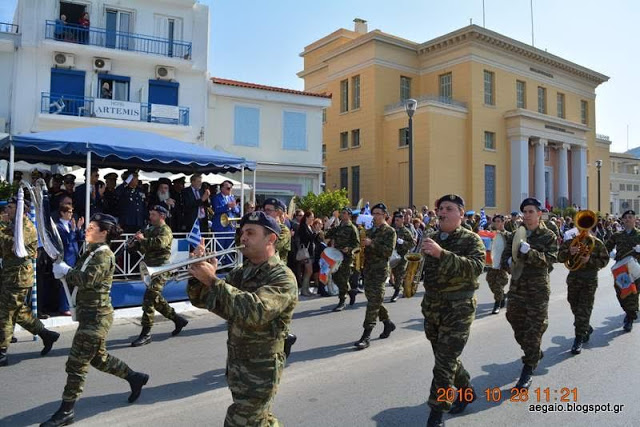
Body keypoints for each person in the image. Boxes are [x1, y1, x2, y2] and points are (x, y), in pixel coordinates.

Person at [187, 211, 297, 426]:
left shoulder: (282, 277)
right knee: (260, 421)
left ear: (271, 238)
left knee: (240, 421)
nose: (243, 238)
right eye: (242, 232)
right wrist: (198, 277)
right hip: (238, 364)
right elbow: (208, 301)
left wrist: (212, 280)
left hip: (261, 368)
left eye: (250, 233)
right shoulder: (242, 272)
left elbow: (255, 312)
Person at [42, 214, 149, 426]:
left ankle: (66, 410)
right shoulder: (91, 251)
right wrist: (63, 270)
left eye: (92, 227)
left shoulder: (103, 255)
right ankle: (134, 377)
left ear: (104, 233)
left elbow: (87, 280)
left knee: (77, 362)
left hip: (97, 317)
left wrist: (66, 272)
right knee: (99, 359)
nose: (87, 230)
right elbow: (79, 274)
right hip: (89, 314)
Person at [420, 194, 485, 427]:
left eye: (449, 208)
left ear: (460, 213)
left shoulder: (472, 239)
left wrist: (441, 254)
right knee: (445, 358)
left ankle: (436, 414)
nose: (442, 212)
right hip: (433, 307)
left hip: (458, 309)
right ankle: (467, 390)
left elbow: (476, 267)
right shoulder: (431, 237)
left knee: (444, 363)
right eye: (440, 208)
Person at [500, 197, 558, 390]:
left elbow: (550, 260)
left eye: (531, 211)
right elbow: (505, 256)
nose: (526, 215)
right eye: (524, 212)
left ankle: (528, 368)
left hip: (537, 290)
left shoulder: (548, 235)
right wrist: (508, 262)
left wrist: (530, 252)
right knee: (514, 320)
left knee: (533, 330)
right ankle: (533, 352)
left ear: (539, 213)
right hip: (517, 287)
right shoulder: (517, 234)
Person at [0, 197, 60, 366]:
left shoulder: (25, 227)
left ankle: (1, 352)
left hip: (18, 277)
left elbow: (15, 247)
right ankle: (46, 334)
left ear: (21, 210)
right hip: (9, 274)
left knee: (6, 313)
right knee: (18, 311)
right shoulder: (13, 226)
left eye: (11, 207)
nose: (7, 210)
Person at [130, 205, 188, 347]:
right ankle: (177, 319)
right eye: (150, 214)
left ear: (162, 216)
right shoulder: (150, 230)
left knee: (149, 298)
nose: (150, 217)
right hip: (150, 268)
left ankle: (146, 333)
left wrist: (142, 239)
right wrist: (134, 244)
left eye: (153, 214)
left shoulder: (165, 230)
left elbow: (160, 244)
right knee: (156, 299)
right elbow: (145, 248)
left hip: (161, 268)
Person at [557, 215, 609, 354]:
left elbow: (604, 261)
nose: (583, 228)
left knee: (584, 308)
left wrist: (589, 260)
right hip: (574, 278)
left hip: (589, 280)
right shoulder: (571, 241)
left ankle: (578, 338)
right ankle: (585, 326)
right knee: (574, 305)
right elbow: (559, 257)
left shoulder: (596, 243)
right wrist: (569, 252)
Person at [354, 203, 397, 350]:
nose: (376, 216)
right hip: (368, 269)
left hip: (380, 271)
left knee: (373, 302)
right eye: (374, 213)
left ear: (385, 214)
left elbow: (387, 252)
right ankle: (388, 323)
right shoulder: (370, 230)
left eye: (379, 213)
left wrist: (372, 243)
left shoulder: (390, 231)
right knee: (374, 299)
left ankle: (366, 335)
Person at [604, 209, 640, 332]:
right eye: (626, 217)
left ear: (635, 219)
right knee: (621, 293)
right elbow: (605, 248)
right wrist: (610, 253)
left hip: (636, 270)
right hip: (621, 270)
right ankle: (629, 311)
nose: (628, 219)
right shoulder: (617, 235)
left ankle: (630, 317)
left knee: (633, 293)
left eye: (631, 217)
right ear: (623, 220)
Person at [324, 207, 360, 311]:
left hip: (347, 257)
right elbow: (327, 234)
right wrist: (330, 222)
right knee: (336, 277)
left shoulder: (352, 228)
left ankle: (342, 301)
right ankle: (350, 292)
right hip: (336, 256)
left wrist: (348, 249)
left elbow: (357, 245)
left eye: (344, 213)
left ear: (349, 215)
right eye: (341, 213)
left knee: (343, 278)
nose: (342, 215)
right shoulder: (338, 227)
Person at [56, 204, 85, 316]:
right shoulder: (58, 226)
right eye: (69, 212)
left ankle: (73, 304)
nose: (71, 214)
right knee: (65, 282)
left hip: (74, 255)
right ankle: (63, 306)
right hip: (66, 256)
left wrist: (78, 228)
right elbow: (66, 241)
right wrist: (73, 230)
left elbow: (80, 238)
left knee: (74, 282)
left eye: (72, 212)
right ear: (62, 213)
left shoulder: (70, 224)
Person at [486, 214, 511, 314]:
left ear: (503, 222)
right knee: (490, 281)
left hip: (502, 264)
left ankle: (497, 304)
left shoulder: (508, 235)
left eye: (498, 221)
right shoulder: (491, 234)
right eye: (495, 221)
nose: (496, 223)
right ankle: (502, 296)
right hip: (492, 263)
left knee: (498, 284)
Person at [390, 211, 416, 302]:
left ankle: (397, 292)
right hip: (393, 255)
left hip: (402, 256)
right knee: (394, 273)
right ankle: (402, 286)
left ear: (402, 220)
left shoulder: (406, 231)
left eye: (398, 220)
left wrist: (403, 243)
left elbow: (412, 244)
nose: (396, 222)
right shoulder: (392, 230)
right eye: (395, 220)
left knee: (399, 274)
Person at [296, 210, 317, 297]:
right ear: (307, 217)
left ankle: (306, 289)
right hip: (305, 252)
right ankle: (304, 290)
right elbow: (306, 238)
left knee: (308, 271)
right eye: (311, 217)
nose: (312, 219)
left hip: (310, 251)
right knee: (308, 270)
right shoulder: (303, 227)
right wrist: (315, 233)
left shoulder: (309, 226)